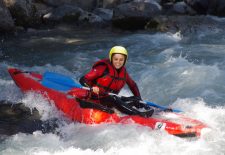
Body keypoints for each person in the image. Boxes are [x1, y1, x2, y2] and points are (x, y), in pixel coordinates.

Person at [79, 46, 154, 117]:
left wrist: (139, 98)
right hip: (97, 99)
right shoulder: (102, 68)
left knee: (135, 99)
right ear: (111, 58)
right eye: (116, 59)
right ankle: (137, 114)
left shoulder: (123, 72)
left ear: (125, 60)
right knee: (114, 98)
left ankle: (150, 110)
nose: (118, 62)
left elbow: (133, 85)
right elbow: (83, 79)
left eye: (121, 60)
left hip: (111, 99)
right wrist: (91, 88)